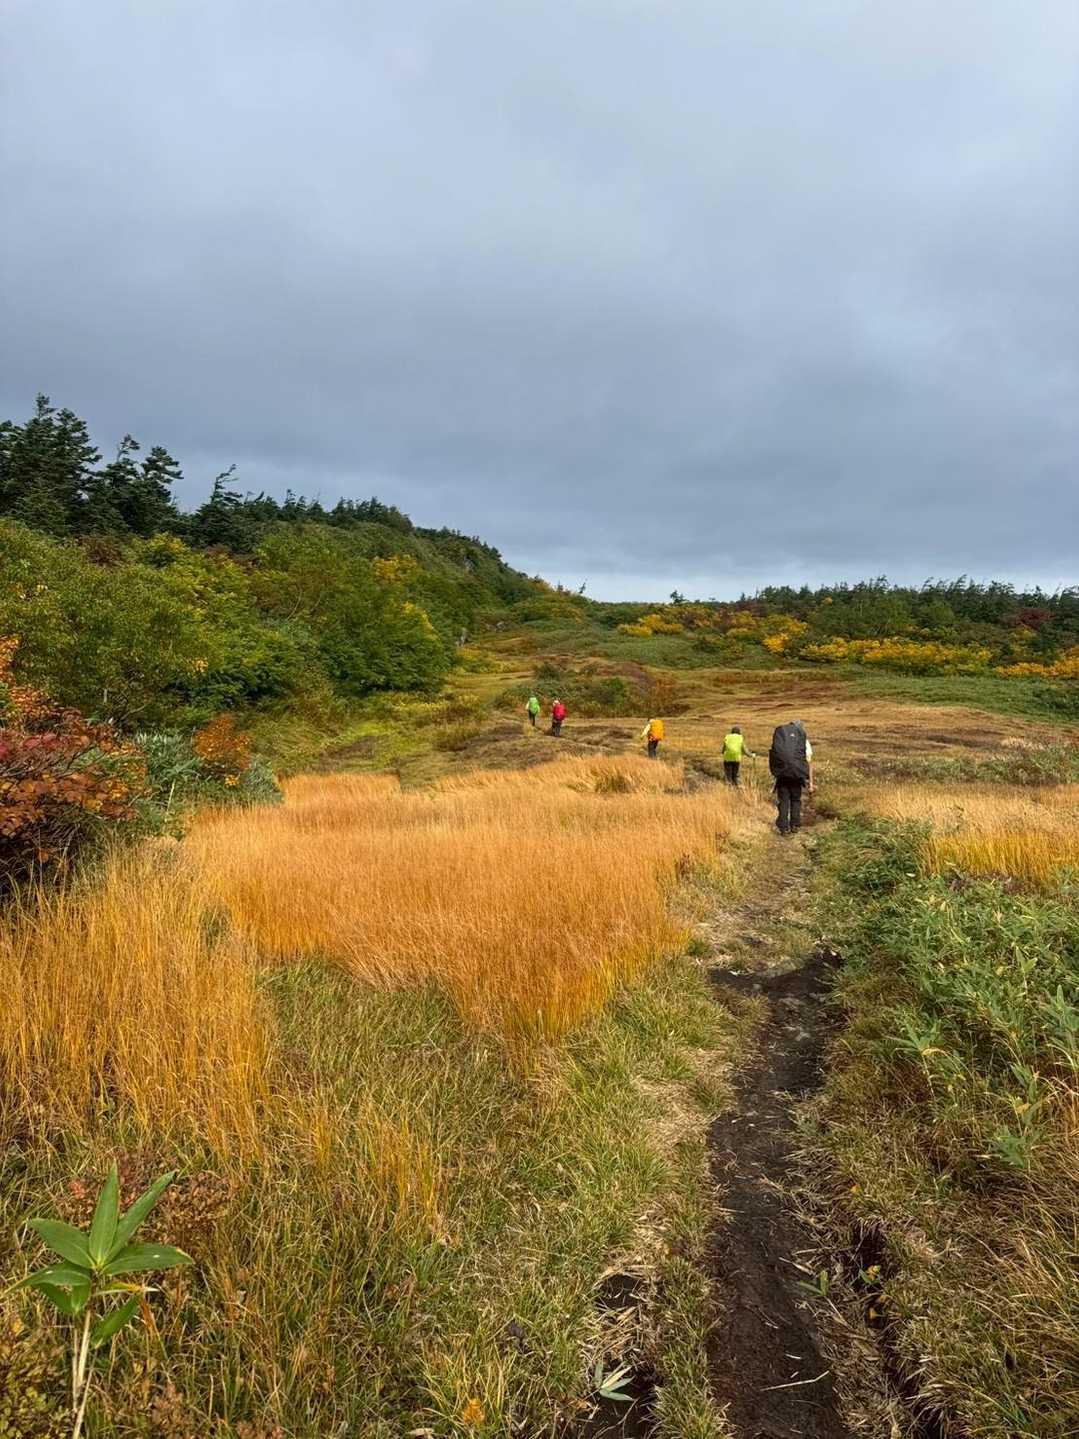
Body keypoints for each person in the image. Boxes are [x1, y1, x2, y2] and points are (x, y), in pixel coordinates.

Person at [769, 718, 813, 835]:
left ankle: (784, 827)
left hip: (782, 774)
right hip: (797, 774)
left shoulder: (782, 737)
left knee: (784, 800)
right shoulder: (803, 740)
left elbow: (775, 754)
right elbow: (808, 761)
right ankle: (795, 825)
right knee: (795, 800)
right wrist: (810, 782)